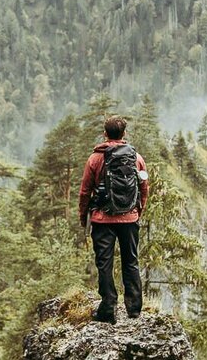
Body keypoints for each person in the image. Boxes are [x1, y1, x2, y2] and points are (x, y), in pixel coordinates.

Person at [78, 116, 149, 324]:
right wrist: (138, 211)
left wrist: (84, 216)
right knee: (131, 261)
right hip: (130, 218)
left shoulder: (94, 159)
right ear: (124, 134)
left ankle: (108, 310)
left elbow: (85, 192)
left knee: (105, 264)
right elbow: (144, 187)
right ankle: (134, 309)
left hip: (102, 219)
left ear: (105, 134)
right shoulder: (136, 157)